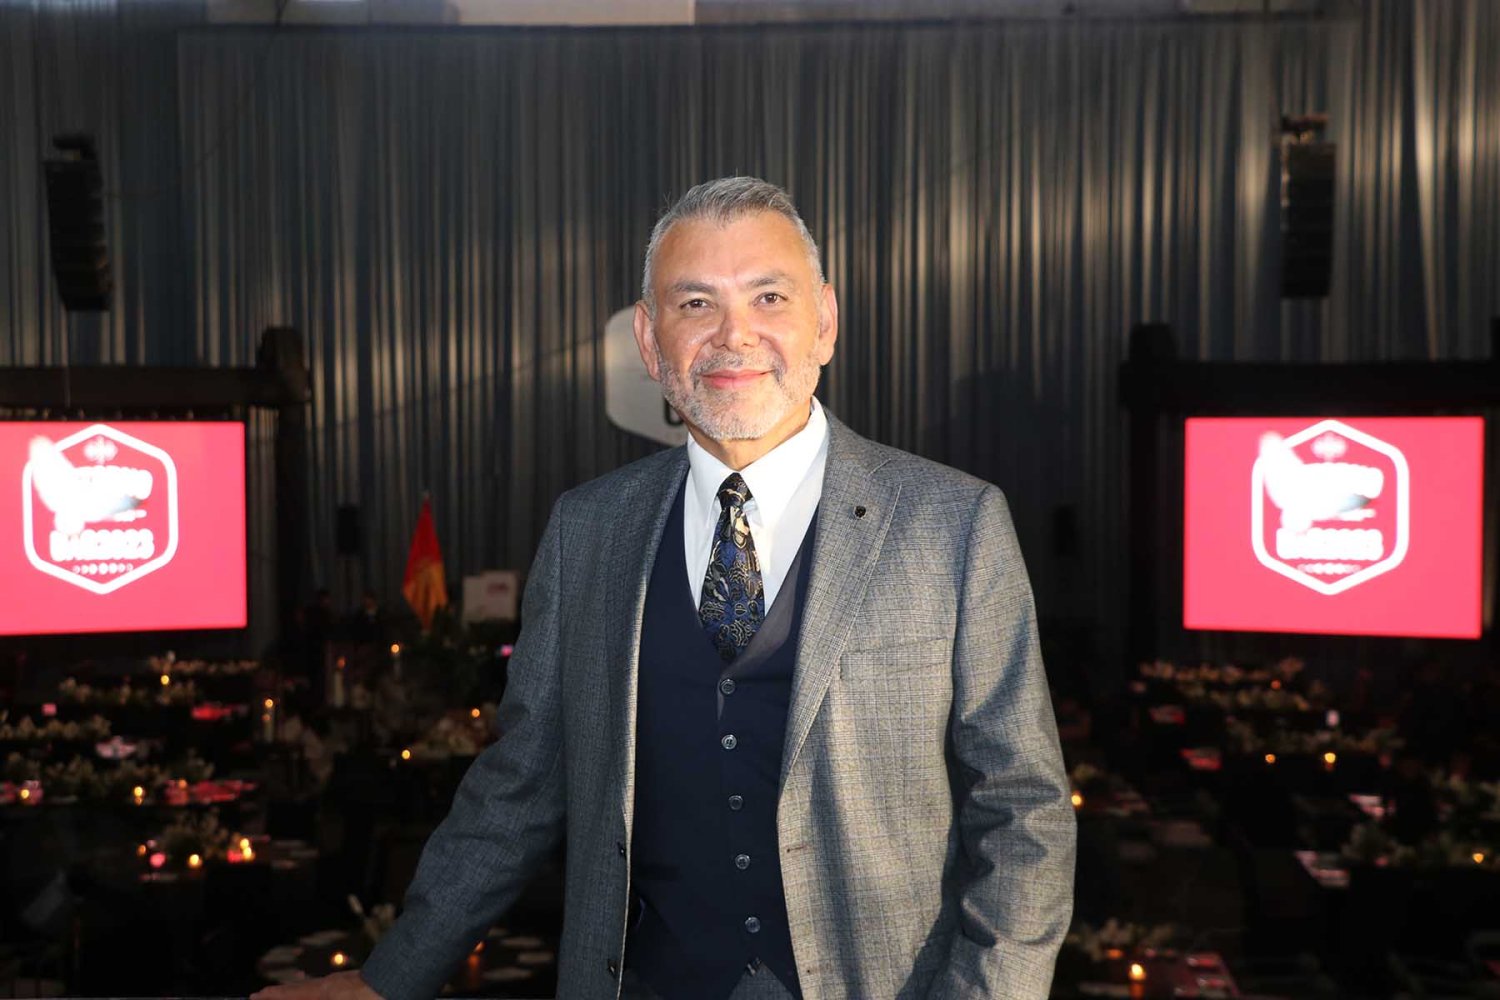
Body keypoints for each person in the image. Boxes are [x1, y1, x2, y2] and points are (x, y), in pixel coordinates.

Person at [254, 177, 1074, 1000]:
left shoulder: (953, 523)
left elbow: (1023, 809)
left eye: (769, 297)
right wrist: (386, 982)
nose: (734, 335)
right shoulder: (587, 531)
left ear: (824, 321)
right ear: (650, 342)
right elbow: (518, 789)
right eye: (695, 304)